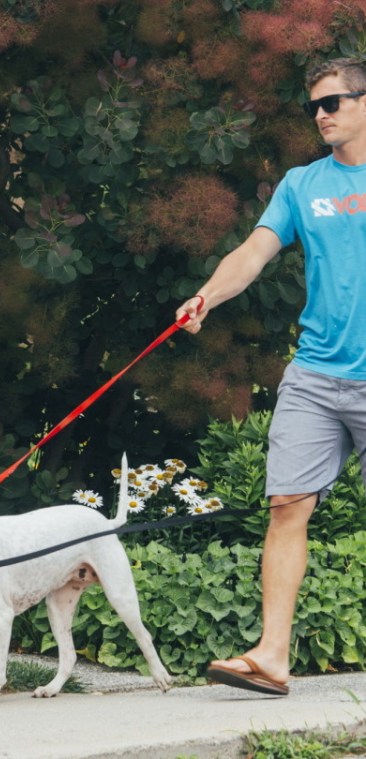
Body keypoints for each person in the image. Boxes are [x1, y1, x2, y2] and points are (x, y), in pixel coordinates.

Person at [175, 57, 366, 696]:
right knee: (287, 506)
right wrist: (206, 296)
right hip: (315, 372)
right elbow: (254, 252)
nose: (321, 114)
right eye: (314, 105)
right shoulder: (302, 183)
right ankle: (273, 656)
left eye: (334, 102)